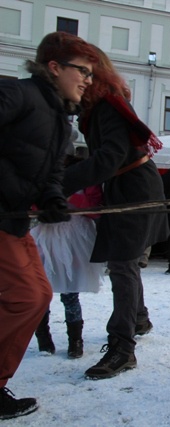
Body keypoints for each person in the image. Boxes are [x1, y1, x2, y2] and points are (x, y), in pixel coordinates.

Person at [0, 31, 97, 420]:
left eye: (91, 73)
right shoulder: (17, 94)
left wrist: (54, 198)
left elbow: (52, 170)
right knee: (25, 296)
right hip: (3, 214)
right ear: (54, 68)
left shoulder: (61, 121)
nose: (88, 80)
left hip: (16, 219)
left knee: (36, 296)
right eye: (82, 71)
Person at [63, 46, 169, 380]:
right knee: (125, 262)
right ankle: (138, 317)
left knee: (123, 265)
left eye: (86, 74)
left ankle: (122, 348)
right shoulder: (102, 106)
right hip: (130, 186)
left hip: (134, 187)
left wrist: (60, 183)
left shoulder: (107, 106)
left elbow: (109, 158)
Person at [31, 154, 105, 359]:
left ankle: (76, 341)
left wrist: (73, 198)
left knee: (71, 291)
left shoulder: (86, 179)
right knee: (42, 289)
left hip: (75, 238)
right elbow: (34, 205)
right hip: (48, 236)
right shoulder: (46, 177)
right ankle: (43, 338)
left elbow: (95, 209)